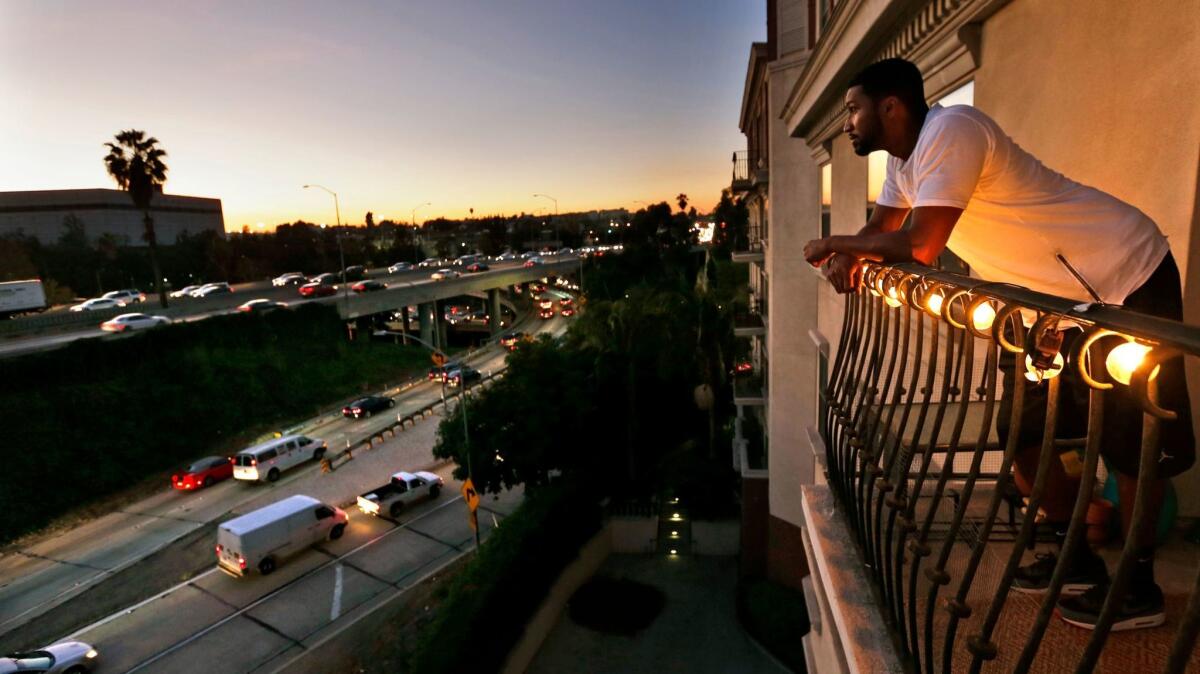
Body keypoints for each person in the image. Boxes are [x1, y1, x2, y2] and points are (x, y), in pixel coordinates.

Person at [803, 58, 1194, 631]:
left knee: (1132, 439)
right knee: (1022, 434)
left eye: (853, 109)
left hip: (1125, 276)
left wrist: (830, 243)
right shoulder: (903, 162)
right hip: (1045, 305)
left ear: (891, 107)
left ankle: (1137, 589)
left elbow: (922, 244)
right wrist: (850, 251)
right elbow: (880, 231)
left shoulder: (953, 129)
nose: (848, 123)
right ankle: (1074, 558)